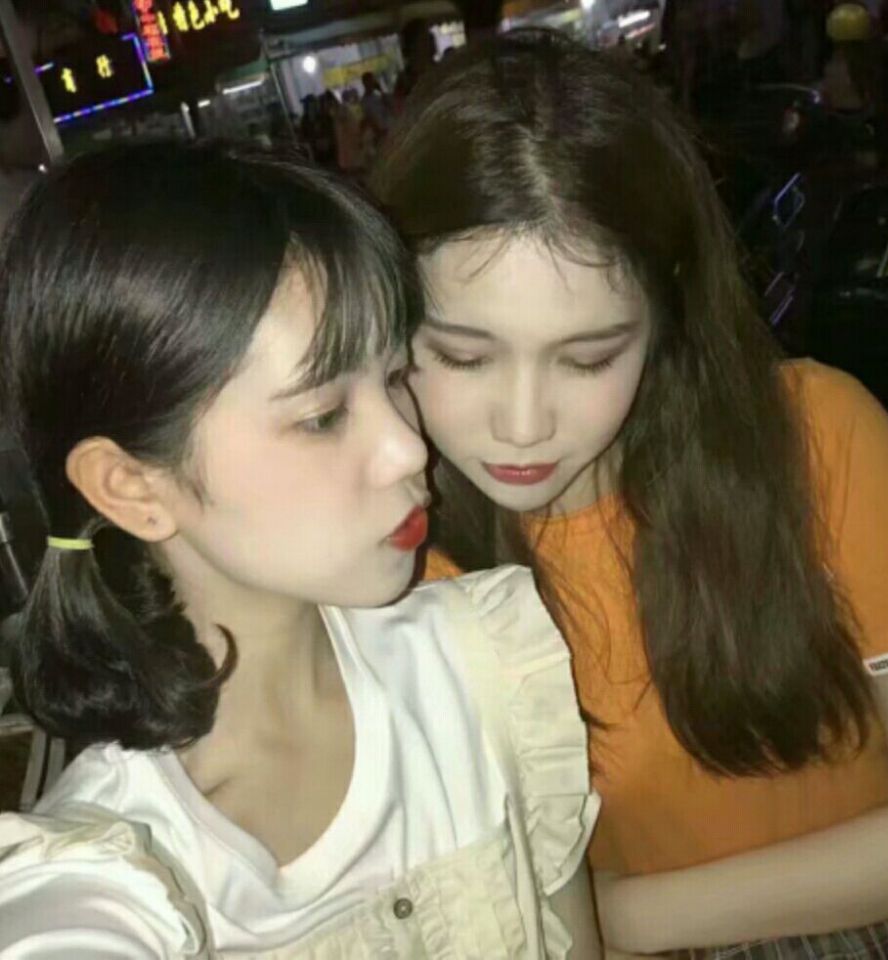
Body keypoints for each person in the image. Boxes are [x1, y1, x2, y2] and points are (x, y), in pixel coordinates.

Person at [372, 30, 888, 958]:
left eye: (588, 357)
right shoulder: (386, 564)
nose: (522, 426)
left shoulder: (814, 440)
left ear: (667, 316)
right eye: (463, 355)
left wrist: (611, 917)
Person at [0, 141, 601, 958]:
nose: (409, 449)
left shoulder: (482, 663)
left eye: (395, 378)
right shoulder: (114, 870)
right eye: (322, 417)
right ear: (132, 487)